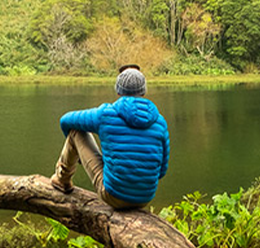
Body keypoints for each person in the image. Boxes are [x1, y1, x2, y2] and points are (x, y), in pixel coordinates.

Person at [50, 64, 170, 209]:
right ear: (144, 91)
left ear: (118, 90)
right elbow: (162, 170)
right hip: (144, 199)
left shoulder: (106, 114)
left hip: (113, 195)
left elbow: (65, 121)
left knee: (76, 131)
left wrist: (77, 152)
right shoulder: (160, 122)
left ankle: (62, 180)